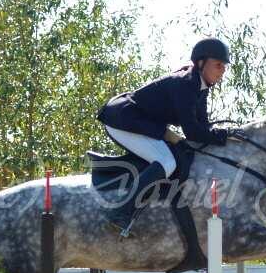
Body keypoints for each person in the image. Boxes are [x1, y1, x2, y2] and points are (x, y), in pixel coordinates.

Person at [96, 37, 232, 235]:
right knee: (167, 162)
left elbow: (202, 126)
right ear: (201, 63)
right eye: (218, 65)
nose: (223, 71)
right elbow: (192, 131)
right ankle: (119, 213)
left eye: (225, 66)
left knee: (177, 155)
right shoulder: (186, 83)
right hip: (123, 120)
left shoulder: (200, 86)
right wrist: (222, 135)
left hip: (143, 124)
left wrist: (222, 134)